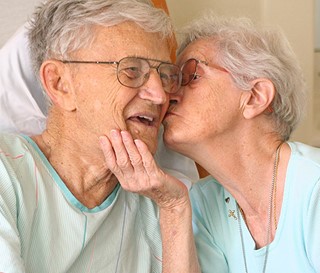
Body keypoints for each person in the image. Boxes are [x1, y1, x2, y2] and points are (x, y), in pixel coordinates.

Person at [101, 15, 320, 273]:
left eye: (192, 76)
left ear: (255, 97)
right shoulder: (203, 202)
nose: (166, 96)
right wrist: (174, 206)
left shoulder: (313, 187)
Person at [0, 0, 200, 272]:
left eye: (165, 75)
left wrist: (174, 209)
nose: (160, 94)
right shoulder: (6, 177)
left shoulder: (162, 204)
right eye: (131, 70)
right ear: (60, 84)